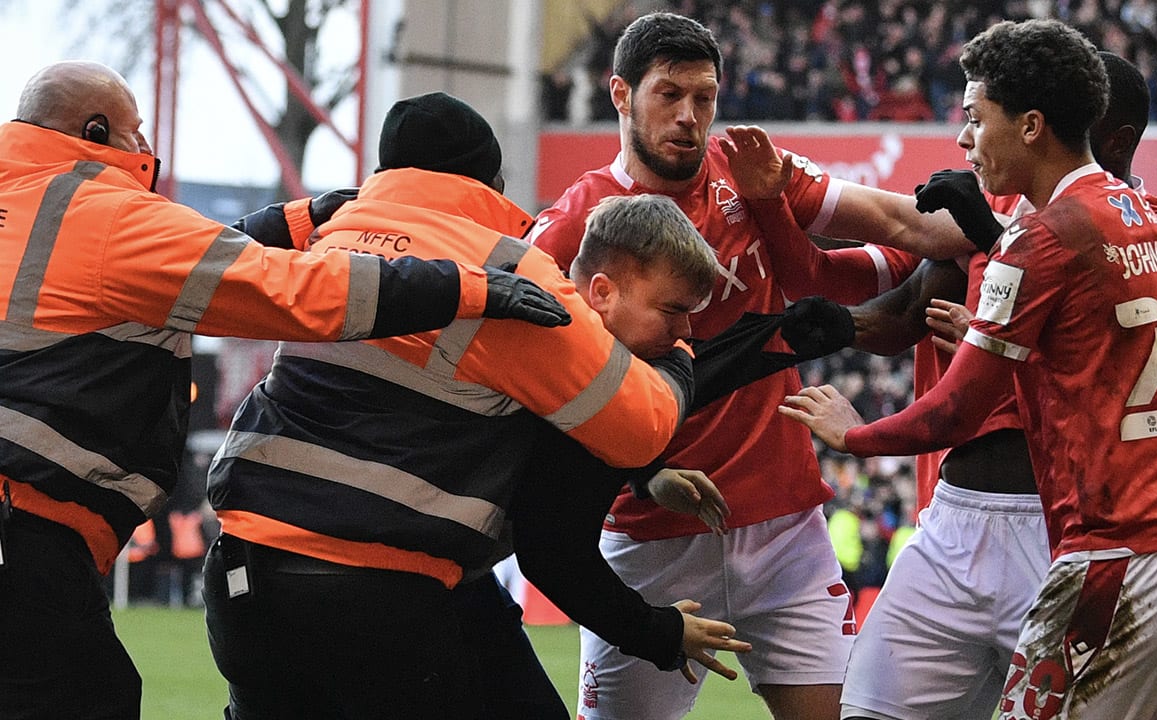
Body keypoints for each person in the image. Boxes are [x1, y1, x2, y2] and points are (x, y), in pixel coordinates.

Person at [0, 62, 568, 720]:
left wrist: (297, 222)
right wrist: (466, 288)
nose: (145, 151)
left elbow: (155, 272)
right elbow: (293, 292)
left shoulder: (35, 202)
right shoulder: (97, 210)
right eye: (136, 135)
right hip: (24, 531)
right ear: (94, 131)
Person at [757, 51, 1157, 720]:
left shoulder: (1037, 240)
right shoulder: (1147, 222)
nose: (965, 137)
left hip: (1110, 558)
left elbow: (956, 405)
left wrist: (852, 434)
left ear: (1031, 126)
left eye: (977, 119)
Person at [201, 92, 702, 720]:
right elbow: (640, 426)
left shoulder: (329, 236)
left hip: (242, 579)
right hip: (378, 592)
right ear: (492, 182)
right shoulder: (509, 269)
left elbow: (201, 260)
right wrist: (679, 350)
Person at [531, 13, 967, 720]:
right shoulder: (574, 224)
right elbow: (537, 375)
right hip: (649, 536)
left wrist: (1016, 227)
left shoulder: (752, 172)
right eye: (668, 95)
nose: (689, 117)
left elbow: (904, 225)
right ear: (619, 94)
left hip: (784, 527)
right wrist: (642, 472)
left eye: (704, 98)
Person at [513, 193, 860, 682]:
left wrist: (648, 474)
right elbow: (553, 555)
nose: (685, 330)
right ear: (603, 292)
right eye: (672, 310)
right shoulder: (565, 375)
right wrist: (662, 632)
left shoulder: (552, 316)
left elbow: (691, 376)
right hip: (416, 572)